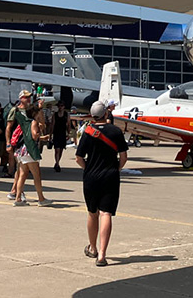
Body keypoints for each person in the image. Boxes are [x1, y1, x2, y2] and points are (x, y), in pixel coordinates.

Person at [77, 101, 129, 267]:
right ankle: (103, 255)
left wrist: (88, 168)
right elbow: (124, 157)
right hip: (110, 176)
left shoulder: (87, 132)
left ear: (92, 116)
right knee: (106, 213)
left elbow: (79, 158)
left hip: (91, 177)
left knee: (92, 213)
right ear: (106, 114)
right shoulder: (115, 131)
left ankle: (92, 248)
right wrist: (116, 169)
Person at [10, 98, 50, 206]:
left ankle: (18, 198)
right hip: (30, 151)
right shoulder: (33, 122)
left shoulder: (24, 120)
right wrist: (43, 137)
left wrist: (40, 107)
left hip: (21, 151)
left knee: (22, 174)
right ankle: (41, 199)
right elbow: (34, 135)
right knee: (36, 175)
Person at [51, 99, 70, 172]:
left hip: (63, 133)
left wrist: (69, 134)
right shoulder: (55, 115)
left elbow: (68, 124)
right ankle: (57, 164)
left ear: (64, 107)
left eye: (61, 106)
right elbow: (52, 124)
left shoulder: (66, 114)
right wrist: (50, 135)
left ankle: (57, 162)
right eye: (59, 106)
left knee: (61, 149)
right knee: (57, 149)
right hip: (56, 133)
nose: (60, 107)